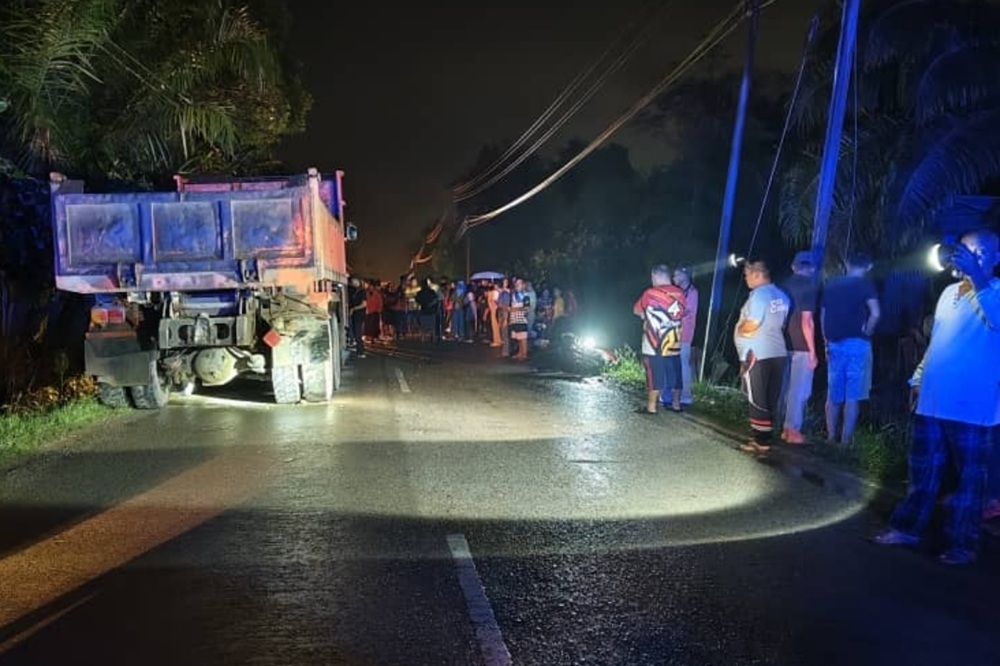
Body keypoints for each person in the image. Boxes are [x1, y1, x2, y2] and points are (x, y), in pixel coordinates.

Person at [874, 228, 1000, 565]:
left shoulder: (997, 292)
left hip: (973, 409)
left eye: (977, 252)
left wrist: (978, 279)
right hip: (933, 401)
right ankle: (907, 528)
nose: (967, 257)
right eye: (963, 250)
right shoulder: (947, 293)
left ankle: (963, 543)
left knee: (970, 484)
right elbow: (937, 343)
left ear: (995, 259)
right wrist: (916, 379)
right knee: (923, 474)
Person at [820, 252, 880, 445]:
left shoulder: (831, 284)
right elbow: (876, 313)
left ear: (846, 263)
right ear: (869, 266)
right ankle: (845, 443)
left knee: (834, 394)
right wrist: (868, 330)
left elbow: (823, 315)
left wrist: (825, 341)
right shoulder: (866, 285)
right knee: (853, 396)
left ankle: (830, 438)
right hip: (857, 344)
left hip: (834, 344)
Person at [734, 260, 790, 454]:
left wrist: (740, 330)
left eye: (747, 275)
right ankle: (765, 437)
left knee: (757, 398)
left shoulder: (759, 295)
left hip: (758, 353)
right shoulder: (782, 296)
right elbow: (780, 325)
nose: (746, 279)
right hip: (778, 353)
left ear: (758, 275)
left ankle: (761, 441)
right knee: (770, 397)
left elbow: (752, 325)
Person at [633, 264, 686, 414]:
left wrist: (645, 315)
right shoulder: (681, 294)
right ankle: (676, 405)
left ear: (655, 276)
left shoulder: (650, 293)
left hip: (654, 343)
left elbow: (636, 309)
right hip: (673, 342)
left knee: (654, 374)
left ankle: (651, 407)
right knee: (675, 374)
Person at [780, 251, 819, 444]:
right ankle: (792, 429)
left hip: (783, 341)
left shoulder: (783, 286)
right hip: (801, 345)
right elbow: (807, 321)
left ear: (794, 267)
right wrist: (813, 352)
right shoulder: (809, 286)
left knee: (785, 387)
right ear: (811, 269)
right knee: (800, 388)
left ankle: (783, 427)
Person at [672, 266, 698, 406]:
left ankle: (686, 396)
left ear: (685, 276)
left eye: (677, 275)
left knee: (683, 365)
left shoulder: (692, 292)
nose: (674, 278)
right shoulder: (679, 291)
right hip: (674, 333)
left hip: (685, 334)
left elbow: (687, 311)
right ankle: (675, 394)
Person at [509, 278, 531, 360]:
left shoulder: (525, 296)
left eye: (519, 283)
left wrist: (514, 309)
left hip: (522, 319)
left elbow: (526, 308)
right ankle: (520, 353)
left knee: (523, 337)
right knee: (518, 337)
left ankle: (524, 354)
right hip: (514, 319)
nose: (517, 285)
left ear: (523, 285)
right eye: (516, 283)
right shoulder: (514, 295)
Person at [347, 277, 367, 358]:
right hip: (355, 314)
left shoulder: (362, 291)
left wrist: (354, 308)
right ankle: (358, 349)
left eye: (354, 281)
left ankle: (361, 351)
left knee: (358, 333)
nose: (353, 283)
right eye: (352, 281)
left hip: (359, 314)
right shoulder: (354, 290)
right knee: (355, 332)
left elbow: (364, 304)